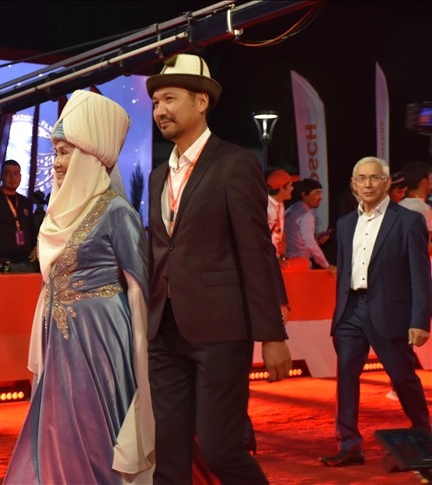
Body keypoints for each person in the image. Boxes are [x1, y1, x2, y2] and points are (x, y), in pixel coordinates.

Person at [145, 53, 291, 484]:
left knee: (219, 449)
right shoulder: (157, 176)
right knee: (168, 454)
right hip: (163, 329)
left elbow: (256, 251)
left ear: (202, 101)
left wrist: (272, 335)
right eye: (155, 102)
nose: (160, 110)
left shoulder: (234, 162)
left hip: (221, 332)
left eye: (170, 99)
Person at [5, 90, 153, 483]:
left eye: (65, 152)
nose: (56, 162)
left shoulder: (117, 211)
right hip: (59, 337)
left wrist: (142, 358)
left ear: (89, 155)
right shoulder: (58, 213)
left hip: (102, 337)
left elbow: (139, 288)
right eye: (56, 152)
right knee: (56, 426)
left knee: (95, 429)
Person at [321, 156, 432, 467]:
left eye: (375, 177)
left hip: (390, 312)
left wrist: (420, 320)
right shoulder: (345, 223)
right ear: (353, 184)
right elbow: (345, 271)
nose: (367, 184)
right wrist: (340, 313)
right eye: (361, 178)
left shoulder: (409, 221)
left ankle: (425, 440)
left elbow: (421, 274)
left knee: (403, 379)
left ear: (387, 182)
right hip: (351, 311)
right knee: (346, 377)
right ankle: (349, 445)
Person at [284, 178, 337, 274]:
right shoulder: (305, 214)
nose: (320, 197)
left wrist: (316, 239)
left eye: (321, 193)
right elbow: (309, 244)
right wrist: (327, 265)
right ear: (304, 194)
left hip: (286, 261)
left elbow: (297, 237)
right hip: (299, 264)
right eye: (317, 193)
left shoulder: (291, 208)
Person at [266, 169, 299, 268]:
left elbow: (281, 231)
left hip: (275, 258)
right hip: (266, 259)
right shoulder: (265, 207)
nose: (292, 189)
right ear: (281, 189)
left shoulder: (280, 204)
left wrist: (281, 255)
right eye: (290, 185)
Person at [398, 162, 432, 254]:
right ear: (424, 182)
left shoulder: (398, 206)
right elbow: (425, 246)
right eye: (431, 179)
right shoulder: (425, 210)